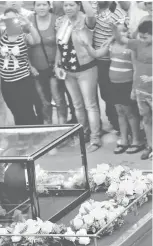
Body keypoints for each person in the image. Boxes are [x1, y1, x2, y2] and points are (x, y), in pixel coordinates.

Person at [82, 23, 144, 155]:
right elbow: (97, 54)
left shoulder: (131, 46)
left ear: (128, 33)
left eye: (123, 31)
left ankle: (137, 140)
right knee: (120, 112)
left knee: (130, 113)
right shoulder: (111, 45)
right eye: (118, 31)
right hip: (114, 83)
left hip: (126, 84)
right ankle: (124, 139)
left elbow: (136, 68)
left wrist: (134, 88)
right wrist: (86, 45)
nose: (119, 34)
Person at [0, 8, 41, 125]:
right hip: (7, 82)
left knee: (27, 111)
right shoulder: (1, 33)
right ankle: (22, 137)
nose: (10, 21)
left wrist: (28, 24)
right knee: (15, 111)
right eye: (7, 18)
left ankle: (33, 136)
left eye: (13, 18)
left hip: (23, 80)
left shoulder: (24, 35)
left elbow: (37, 41)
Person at [55, 1, 101, 152]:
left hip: (86, 69)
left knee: (90, 105)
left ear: (78, 6)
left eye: (72, 5)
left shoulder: (85, 19)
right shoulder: (62, 21)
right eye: (66, 5)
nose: (68, 8)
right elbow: (59, 46)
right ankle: (84, 134)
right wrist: (57, 64)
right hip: (68, 71)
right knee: (77, 106)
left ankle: (95, 139)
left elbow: (91, 15)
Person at [113, 20, 152, 160]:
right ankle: (150, 146)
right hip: (141, 90)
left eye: (145, 37)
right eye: (140, 36)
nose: (141, 39)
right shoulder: (137, 43)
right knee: (146, 119)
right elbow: (121, 39)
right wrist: (113, 28)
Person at [29, 1, 67, 125]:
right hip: (36, 69)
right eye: (38, 5)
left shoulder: (57, 20)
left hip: (53, 67)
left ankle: (63, 129)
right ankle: (49, 129)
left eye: (44, 4)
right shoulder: (28, 21)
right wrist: (30, 66)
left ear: (49, 6)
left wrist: (57, 64)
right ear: (33, 7)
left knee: (59, 99)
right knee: (44, 102)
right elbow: (22, 45)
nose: (41, 7)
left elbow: (60, 44)